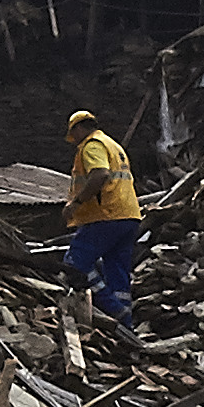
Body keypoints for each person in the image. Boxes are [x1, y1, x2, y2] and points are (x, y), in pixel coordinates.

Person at [59, 109, 145, 330]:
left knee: (75, 264)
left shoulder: (92, 145)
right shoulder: (113, 145)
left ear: (79, 128)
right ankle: (126, 325)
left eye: (73, 134)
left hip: (105, 216)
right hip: (128, 217)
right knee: (117, 272)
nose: (74, 140)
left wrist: (76, 203)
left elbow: (100, 174)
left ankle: (112, 310)